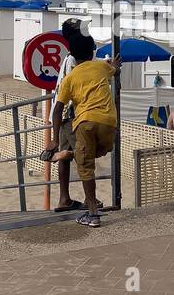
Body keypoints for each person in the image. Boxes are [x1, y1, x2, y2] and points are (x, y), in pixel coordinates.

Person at [52, 34, 120, 228]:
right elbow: (115, 69)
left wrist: (55, 140)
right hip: (108, 121)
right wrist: (114, 64)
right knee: (104, 150)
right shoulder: (101, 67)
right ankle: (75, 153)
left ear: (71, 54)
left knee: (85, 166)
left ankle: (92, 214)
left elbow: (58, 109)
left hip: (85, 122)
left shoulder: (70, 78)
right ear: (92, 53)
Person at [39, 18, 86, 212]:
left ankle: (64, 198)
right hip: (70, 115)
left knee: (65, 158)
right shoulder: (74, 59)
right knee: (83, 155)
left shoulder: (68, 58)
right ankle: (90, 198)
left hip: (62, 115)